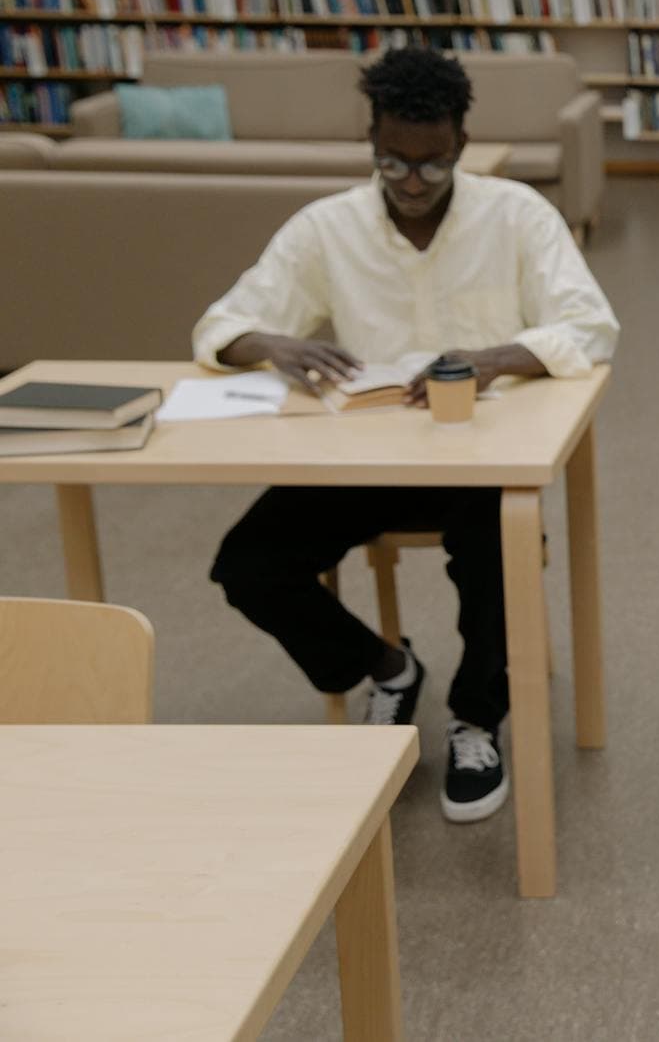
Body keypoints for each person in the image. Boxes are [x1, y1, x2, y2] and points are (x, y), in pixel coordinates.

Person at [194, 45, 619, 823]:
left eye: (432, 162)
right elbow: (222, 323)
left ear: (460, 141)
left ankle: (476, 718)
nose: (414, 182)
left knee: (496, 552)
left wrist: (491, 359)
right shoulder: (327, 227)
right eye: (394, 163)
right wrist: (274, 344)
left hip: (482, 455)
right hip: (367, 454)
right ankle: (386, 668)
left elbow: (592, 326)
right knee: (247, 563)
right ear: (372, 143)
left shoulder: (518, 214)